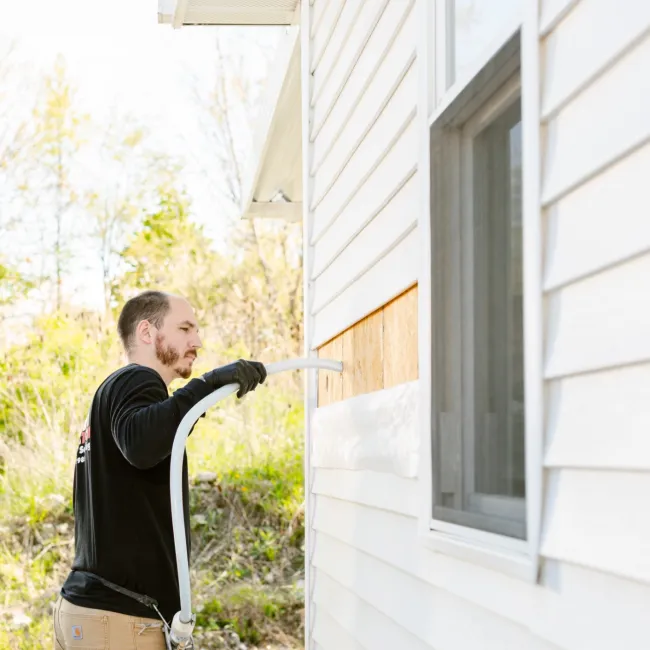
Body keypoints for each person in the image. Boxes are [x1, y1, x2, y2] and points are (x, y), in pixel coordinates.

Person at [52, 290, 267, 649]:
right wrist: (210, 384)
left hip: (87, 612)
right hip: (118, 620)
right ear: (147, 333)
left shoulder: (111, 394)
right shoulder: (138, 380)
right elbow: (142, 444)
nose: (197, 341)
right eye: (184, 328)